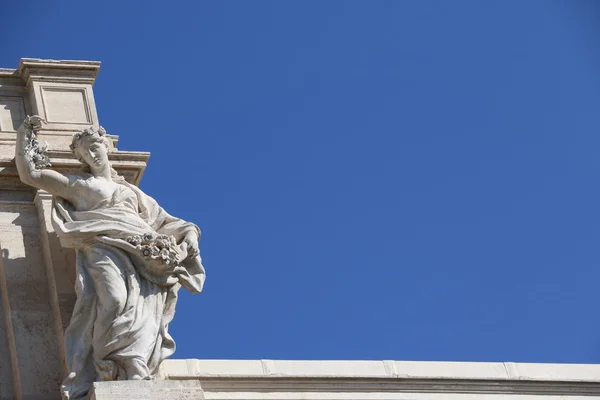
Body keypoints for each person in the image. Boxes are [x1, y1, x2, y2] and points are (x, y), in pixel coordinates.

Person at [15, 116, 206, 400]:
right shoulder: (80, 185)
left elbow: (169, 222)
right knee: (114, 299)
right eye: (85, 152)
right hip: (103, 247)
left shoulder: (131, 192)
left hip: (143, 254)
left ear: (106, 148)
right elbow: (31, 174)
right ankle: (108, 365)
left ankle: (134, 366)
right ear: (80, 159)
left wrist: (189, 236)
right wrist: (23, 136)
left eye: (96, 147)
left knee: (143, 313)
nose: (93, 154)